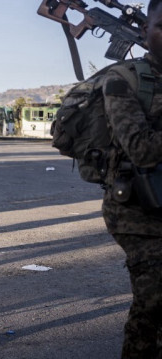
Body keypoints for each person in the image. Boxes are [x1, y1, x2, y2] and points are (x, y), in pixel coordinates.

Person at [100, 1, 162, 357]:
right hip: (137, 211)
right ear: (144, 31)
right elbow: (142, 149)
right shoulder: (123, 79)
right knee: (154, 302)